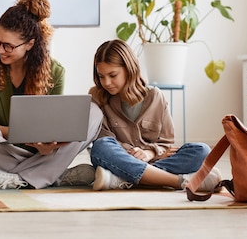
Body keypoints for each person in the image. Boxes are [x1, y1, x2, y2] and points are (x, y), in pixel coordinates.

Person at [0, 0, 103, 189]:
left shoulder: (55, 71)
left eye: (8, 46)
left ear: (30, 44)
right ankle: (53, 175)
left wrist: (49, 143)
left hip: (44, 152)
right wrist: (27, 137)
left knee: (94, 112)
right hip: (7, 150)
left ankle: (16, 179)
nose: (0, 49)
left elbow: (54, 125)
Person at [89, 39, 222, 191]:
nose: (106, 82)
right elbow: (104, 140)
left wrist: (149, 152)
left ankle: (120, 178)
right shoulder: (97, 96)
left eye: (112, 75)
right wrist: (135, 154)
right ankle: (178, 181)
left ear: (129, 69)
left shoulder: (154, 96)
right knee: (101, 147)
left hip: (145, 162)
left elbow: (166, 142)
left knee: (202, 151)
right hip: (119, 159)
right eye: (101, 76)